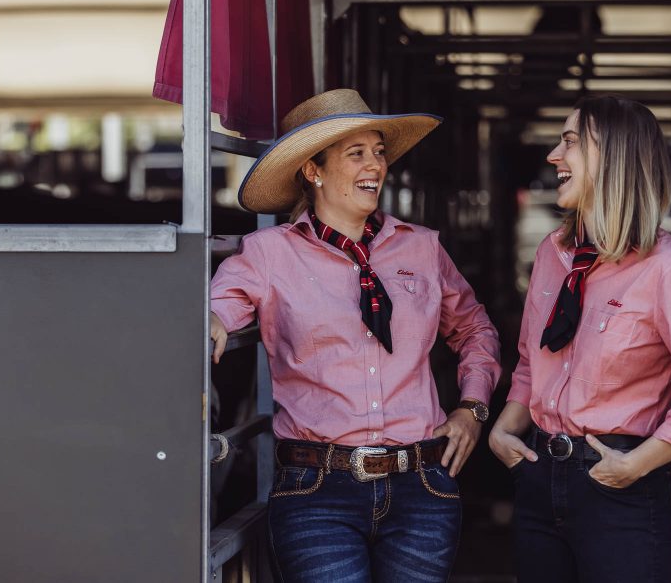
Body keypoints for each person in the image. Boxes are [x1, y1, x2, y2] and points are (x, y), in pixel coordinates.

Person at [210, 89, 501, 582]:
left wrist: (473, 410)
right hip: (315, 489)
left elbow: (475, 328)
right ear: (314, 170)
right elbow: (223, 305)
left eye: (379, 151)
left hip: (421, 487)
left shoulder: (423, 248)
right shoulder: (268, 254)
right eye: (356, 153)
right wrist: (212, 321)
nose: (376, 165)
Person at [488, 95, 671, 583]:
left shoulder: (670, 271)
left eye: (569, 143)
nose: (552, 157)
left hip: (620, 490)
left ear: (614, 157)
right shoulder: (553, 254)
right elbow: (531, 361)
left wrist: (634, 465)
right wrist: (503, 428)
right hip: (540, 478)